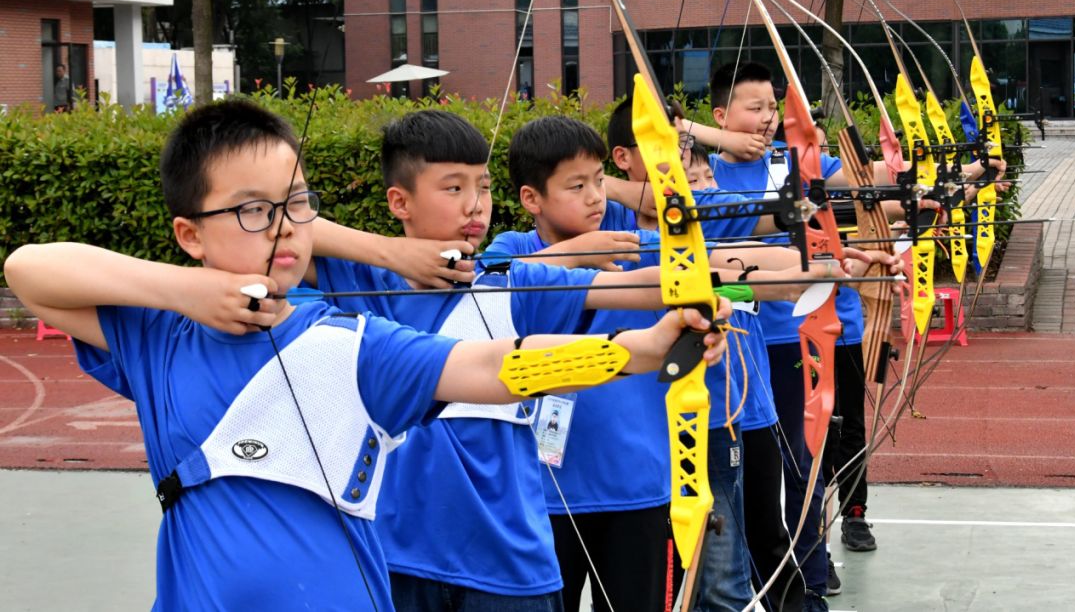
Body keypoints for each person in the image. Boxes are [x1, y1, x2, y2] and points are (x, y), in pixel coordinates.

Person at [3, 99, 730, 611]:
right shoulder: (159, 336)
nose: (286, 227)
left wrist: (637, 350)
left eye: (297, 205)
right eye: (255, 210)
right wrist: (188, 293)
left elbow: (492, 366)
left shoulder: (348, 341)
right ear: (191, 234)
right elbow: (30, 268)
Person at [304, 109, 735, 611]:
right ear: (399, 201)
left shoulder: (513, 283)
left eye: (483, 188)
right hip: (395, 558)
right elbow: (276, 226)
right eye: (453, 188)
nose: (475, 205)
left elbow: (633, 284)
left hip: (507, 564)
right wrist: (390, 254)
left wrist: (694, 294)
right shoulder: (366, 284)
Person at [486, 114, 864, 612]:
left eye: (599, 181)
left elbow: (722, 263)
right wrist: (576, 254)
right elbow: (485, 280)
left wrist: (824, 266)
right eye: (576, 186)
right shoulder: (514, 251)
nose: (596, 196)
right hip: (542, 495)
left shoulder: (634, 250)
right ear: (531, 199)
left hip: (640, 490)